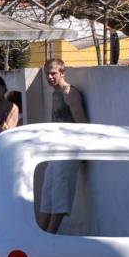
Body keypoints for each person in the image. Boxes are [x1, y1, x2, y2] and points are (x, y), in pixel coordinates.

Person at [38, 58, 88, 234]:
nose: (50, 77)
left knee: (59, 194)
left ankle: (49, 236)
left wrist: (84, 152)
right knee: (48, 194)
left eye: (53, 73)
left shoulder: (69, 93)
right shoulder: (55, 94)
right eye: (47, 74)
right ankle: (39, 235)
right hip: (55, 150)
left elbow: (82, 123)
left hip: (69, 150)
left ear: (62, 73)